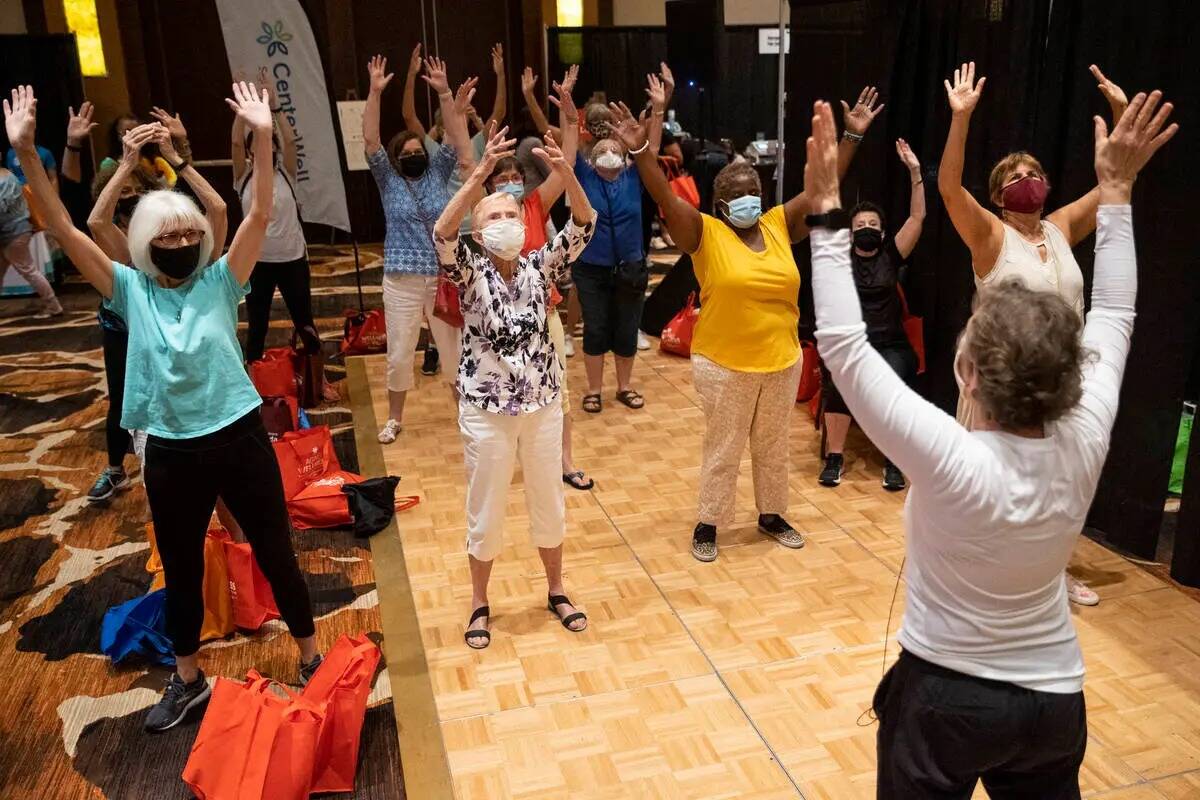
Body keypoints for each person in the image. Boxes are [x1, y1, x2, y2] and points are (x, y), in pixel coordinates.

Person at [805, 88, 1175, 798]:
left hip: (945, 702)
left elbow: (844, 351)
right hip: (1055, 705)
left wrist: (825, 210)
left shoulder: (951, 460)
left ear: (967, 372)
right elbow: (1118, 312)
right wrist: (1120, 191)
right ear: (1072, 370)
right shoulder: (1087, 439)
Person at [6, 82, 323, 731]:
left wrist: (262, 137)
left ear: (200, 239)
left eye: (188, 229)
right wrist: (25, 154)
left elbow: (258, 213)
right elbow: (66, 226)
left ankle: (311, 655)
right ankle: (188, 680)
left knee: (275, 551)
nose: (178, 237)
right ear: (146, 240)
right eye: (167, 230)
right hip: (173, 453)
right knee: (180, 572)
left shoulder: (219, 281)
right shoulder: (128, 289)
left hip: (239, 437)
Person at [610, 86, 881, 562]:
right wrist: (638, 150)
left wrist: (853, 137)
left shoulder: (779, 223)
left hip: (781, 361)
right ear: (720, 204)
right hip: (725, 364)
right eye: (736, 194)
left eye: (753, 190)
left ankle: (772, 515)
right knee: (725, 446)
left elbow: (822, 187)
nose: (747, 198)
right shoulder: (703, 232)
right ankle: (709, 522)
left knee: (773, 445)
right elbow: (662, 194)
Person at [938, 62, 1129, 607]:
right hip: (1000, 386)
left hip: (1062, 380)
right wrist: (961, 119)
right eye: (1016, 176)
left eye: (1034, 173)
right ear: (1000, 193)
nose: (1029, 181)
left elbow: (1113, 184)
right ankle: (978, 577)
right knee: (990, 490)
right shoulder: (989, 234)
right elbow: (949, 188)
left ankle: (1047, 575)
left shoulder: (1062, 225)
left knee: (1056, 485)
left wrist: (1118, 115)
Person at [434, 126, 596, 649]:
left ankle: (557, 589)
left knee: (548, 500)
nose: (504, 221)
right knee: (486, 506)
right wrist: (479, 176)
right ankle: (480, 602)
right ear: (478, 235)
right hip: (487, 411)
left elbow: (584, 222)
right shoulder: (469, 271)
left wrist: (567, 174)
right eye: (493, 217)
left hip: (542, 408)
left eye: (510, 214)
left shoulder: (538, 264)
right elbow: (441, 232)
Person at [85, 116, 228, 505]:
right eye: (123, 193)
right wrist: (125, 165)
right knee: (126, 399)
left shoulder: (169, 232)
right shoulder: (128, 254)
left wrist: (179, 152)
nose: (129, 197)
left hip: (183, 341)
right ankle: (119, 467)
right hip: (126, 326)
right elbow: (96, 221)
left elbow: (212, 209)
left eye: (135, 191)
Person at [478, 68, 592, 492]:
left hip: (543, 311)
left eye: (514, 176)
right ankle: (502, 461)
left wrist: (569, 120)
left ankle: (563, 462)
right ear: (489, 185)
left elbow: (566, 167)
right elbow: (467, 164)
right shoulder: (483, 209)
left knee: (558, 390)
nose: (510, 183)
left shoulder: (533, 204)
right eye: (500, 178)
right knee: (500, 394)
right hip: (495, 319)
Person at [363, 53, 473, 443]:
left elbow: (458, 141)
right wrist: (375, 93)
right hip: (401, 281)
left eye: (418, 150)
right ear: (396, 159)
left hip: (443, 277)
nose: (414, 155)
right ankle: (394, 418)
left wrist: (445, 93)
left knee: (453, 350)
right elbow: (372, 140)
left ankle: (465, 413)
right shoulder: (387, 179)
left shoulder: (438, 172)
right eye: (407, 152)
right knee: (400, 352)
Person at [819, 137, 925, 491]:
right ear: (850, 234)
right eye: (859, 225)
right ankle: (835, 457)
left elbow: (918, 216)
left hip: (891, 344)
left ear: (881, 231)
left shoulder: (891, 255)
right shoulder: (839, 260)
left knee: (892, 382)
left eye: (872, 225)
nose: (866, 229)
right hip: (853, 345)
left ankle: (893, 459)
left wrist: (914, 172)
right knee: (839, 376)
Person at [569, 74, 669, 415]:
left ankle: (624, 386)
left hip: (631, 265)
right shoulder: (583, 175)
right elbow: (570, 144)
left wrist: (658, 109)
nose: (610, 152)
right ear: (592, 158)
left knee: (627, 327)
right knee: (595, 327)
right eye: (602, 150)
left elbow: (650, 151)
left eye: (615, 149)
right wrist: (569, 109)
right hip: (591, 268)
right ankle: (594, 390)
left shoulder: (633, 174)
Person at [232, 70, 319, 363]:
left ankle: (317, 378)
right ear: (249, 151)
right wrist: (244, 113)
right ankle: (252, 376)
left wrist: (275, 106)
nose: (263, 144)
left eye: (268, 140)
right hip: (256, 262)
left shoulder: (285, 172)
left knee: (304, 320)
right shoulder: (243, 176)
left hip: (292, 258)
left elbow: (292, 143)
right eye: (256, 141)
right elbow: (234, 143)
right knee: (257, 323)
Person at [0, 160, 62, 317]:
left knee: (28, 270)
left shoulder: (3, 180)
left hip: (13, 232)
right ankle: (53, 304)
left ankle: (54, 305)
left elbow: (2, 208)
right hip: (14, 230)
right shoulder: (9, 175)